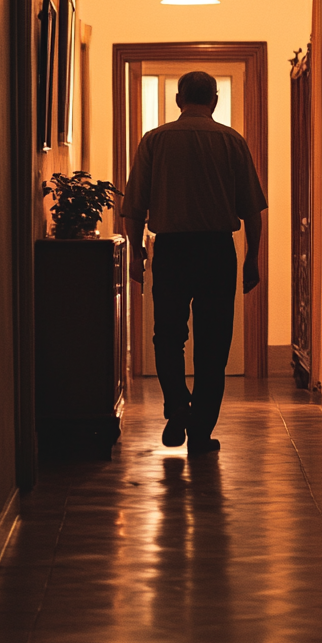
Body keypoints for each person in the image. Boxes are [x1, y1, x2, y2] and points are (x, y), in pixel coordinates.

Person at [122, 70, 267, 456]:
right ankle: (200, 432)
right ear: (214, 100)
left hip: (170, 250)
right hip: (218, 251)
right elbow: (252, 209)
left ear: (178, 99)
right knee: (213, 343)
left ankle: (176, 407)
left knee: (167, 335)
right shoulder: (232, 141)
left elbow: (134, 207)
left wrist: (136, 255)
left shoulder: (154, 141)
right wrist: (253, 257)